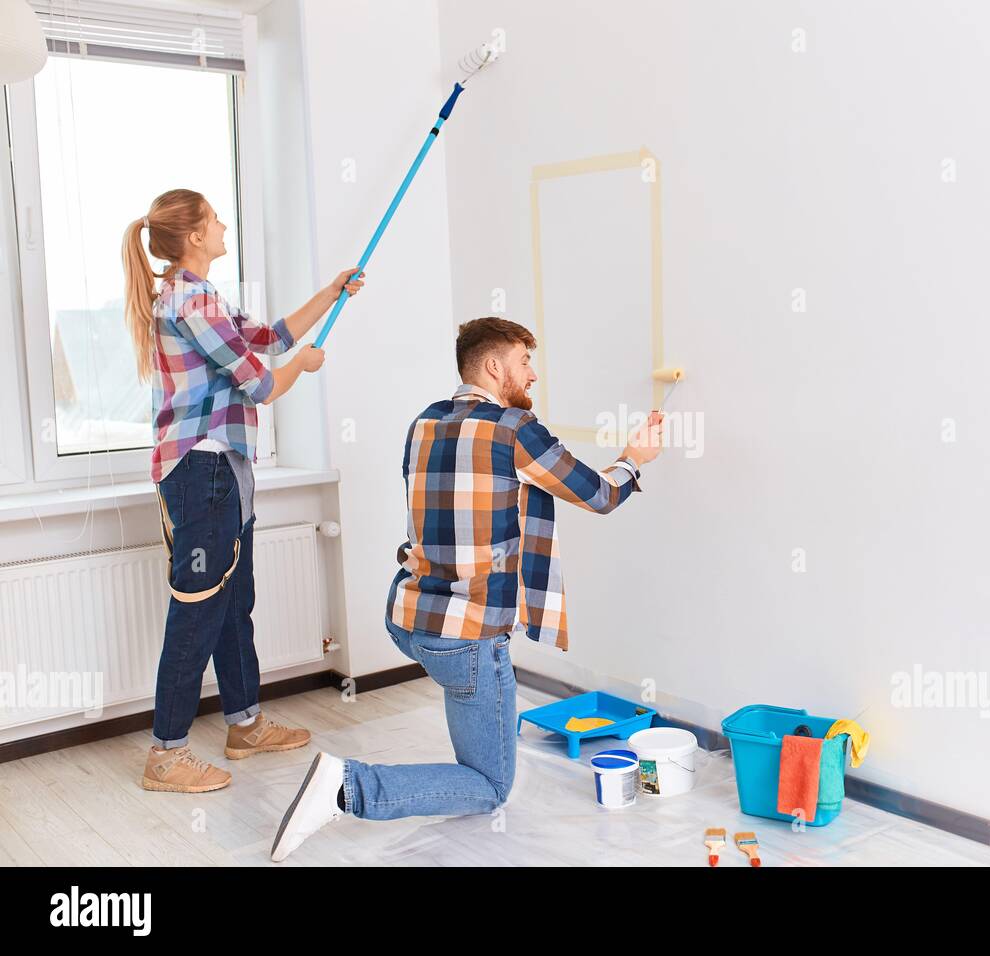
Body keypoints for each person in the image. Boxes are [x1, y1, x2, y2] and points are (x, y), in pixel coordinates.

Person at [270, 317, 663, 860]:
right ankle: (348, 788)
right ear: (494, 366)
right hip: (468, 636)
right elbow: (598, 495)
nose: (533, 375)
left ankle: (382, 766)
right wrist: (634, 460)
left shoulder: (423, 424)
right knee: (490, 786)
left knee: (467, 695)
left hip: (409, 619)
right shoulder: (513, 431)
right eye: (525, 362)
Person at [122, 188, 364, 793]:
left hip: (225, 470)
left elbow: (270, 337)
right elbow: (260, 385)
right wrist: (302, 367)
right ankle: (166, 753)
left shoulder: (203, 298)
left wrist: (332, 293)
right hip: (200, 473)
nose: (224, 224)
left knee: (234, 602)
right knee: (198, 609)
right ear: (196, 235)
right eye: (215, 218)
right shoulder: (190, 301)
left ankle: (244, 724)